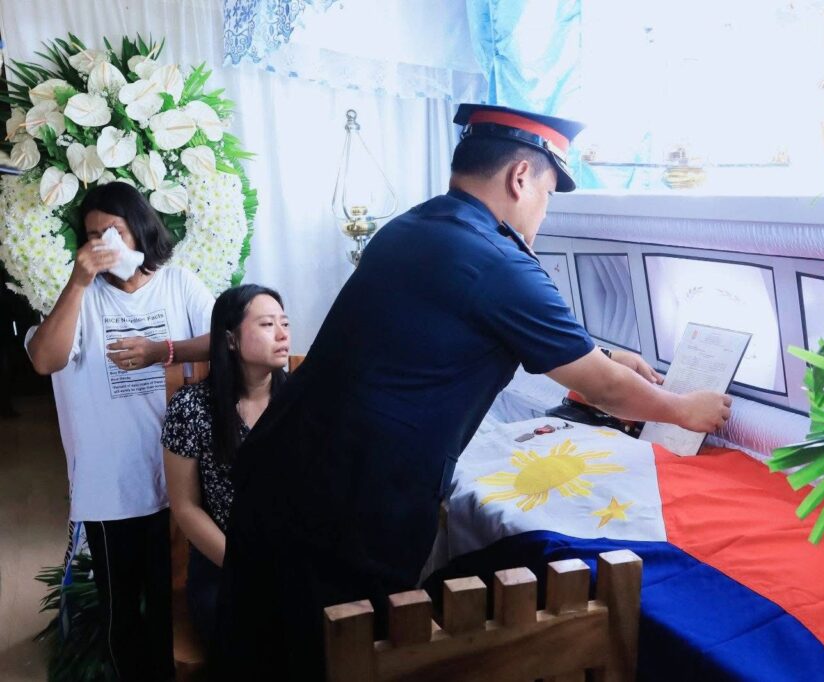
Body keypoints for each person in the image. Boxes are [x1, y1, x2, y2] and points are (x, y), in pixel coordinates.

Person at [215, 104, 731, 680]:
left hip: (283, 473)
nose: (544, 211)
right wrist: (683, 408)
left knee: (254, 651)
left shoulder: (413, 228)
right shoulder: (495, 258)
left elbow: (484, 327)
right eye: (547, 194)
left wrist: (604, 355)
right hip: (345, 509)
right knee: (330, 660)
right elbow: (602, 388)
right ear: (519, 177)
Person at [25, 182, 214, 682]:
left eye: (112, 231)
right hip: (112, 485)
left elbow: (225, 336)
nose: (102, 244)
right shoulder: (81, 298)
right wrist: (78, 281)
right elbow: (44, 359)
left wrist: (161, 352)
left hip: (175, 476)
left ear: (140, 229)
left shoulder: (178, 284)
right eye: (91, 236)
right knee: (123, 611)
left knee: (174, 601)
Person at [161, 284, 290, 647]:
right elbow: (185, 506)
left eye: (285, 323)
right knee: (254, 635)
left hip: (293, 557)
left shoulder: (300, 399)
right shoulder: (192, 407)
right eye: (267, 324)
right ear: (231, 339)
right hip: (225, 561)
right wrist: (244, 565)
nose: (282, 334)